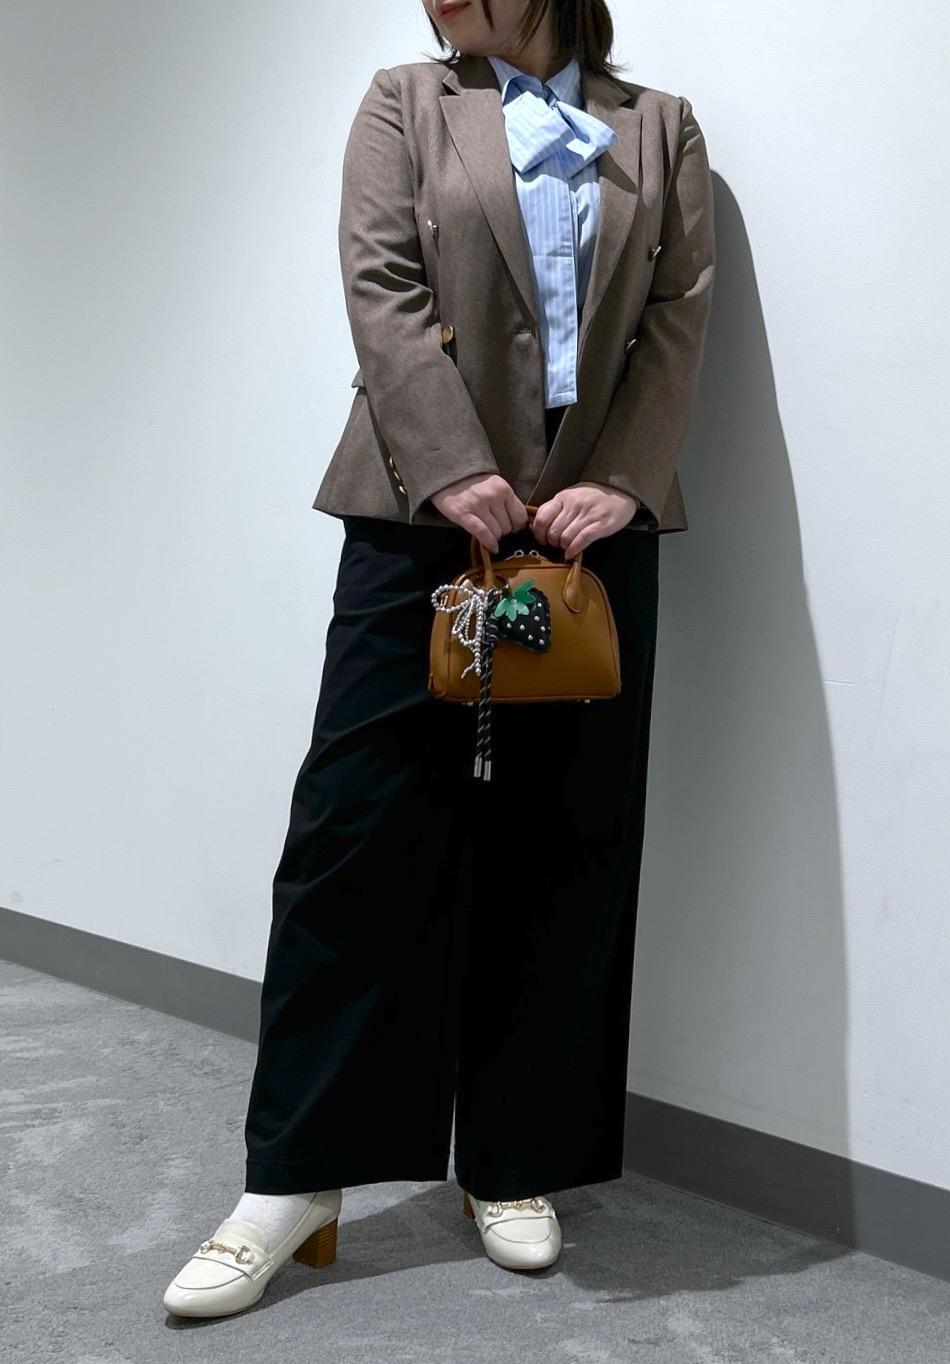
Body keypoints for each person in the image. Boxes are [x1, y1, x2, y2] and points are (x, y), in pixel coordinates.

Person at [163, 0, 715, 1318]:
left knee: (564, 841)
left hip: (588, 537)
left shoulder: (661, 127)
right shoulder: (406, 101)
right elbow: (383, 286)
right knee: (355, 838)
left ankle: (514, 1160)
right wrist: (450, 463)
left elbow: (677, 317)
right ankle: (295, 1179)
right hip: (420, 514)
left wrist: (625, 481)